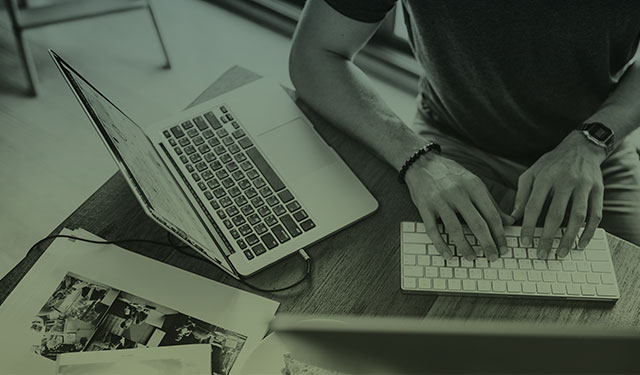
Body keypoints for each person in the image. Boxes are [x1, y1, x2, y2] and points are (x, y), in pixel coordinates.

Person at [289, 0, 640, 261]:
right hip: (451, 139)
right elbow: (315, 54)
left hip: (596, 143)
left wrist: (591, 142)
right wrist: (417, 159)